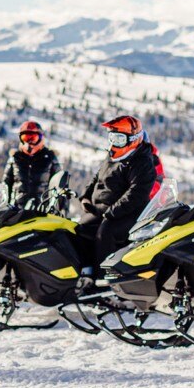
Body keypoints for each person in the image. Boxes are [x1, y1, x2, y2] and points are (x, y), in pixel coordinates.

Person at [77, 116, 158, 283]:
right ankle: (85, 273)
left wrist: (112, 211)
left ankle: (105, 281)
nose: (114, 143)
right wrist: (85, 196)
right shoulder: (113, 156)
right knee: (80, 229)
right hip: (103, 209)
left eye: (119, 139)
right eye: (112, 138)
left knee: (105, 233)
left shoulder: (141, 161)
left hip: (129, 212)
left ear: (134, 140)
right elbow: (97, 178)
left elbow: (137, 193)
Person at [3, 121, 62, 209]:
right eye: (25, 138)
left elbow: (59, 185)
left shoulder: (49, 158)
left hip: (42, 212)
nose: (29, 143)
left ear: (41, 138)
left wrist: (58, 207)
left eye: (33, 138)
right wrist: (5, 205)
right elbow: (5, 185)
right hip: (16, 211)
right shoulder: (15, 158)